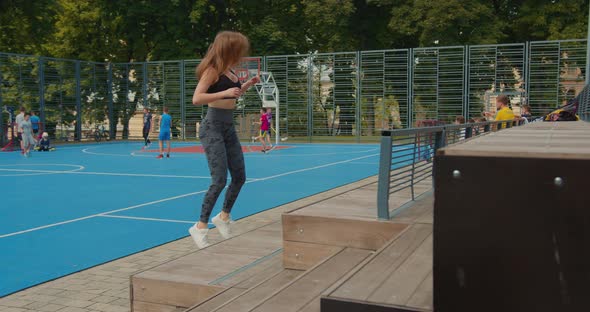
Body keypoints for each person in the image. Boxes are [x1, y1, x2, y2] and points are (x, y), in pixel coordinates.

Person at [190, 31, 260, 249]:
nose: (242, 53)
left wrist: (246, 85)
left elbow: (231, 94)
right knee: (219, 179)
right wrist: (224, 93)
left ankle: (224, 217)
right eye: (239, 49)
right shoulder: (212, 71)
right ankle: (200, 226)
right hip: (212, 128)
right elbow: (197, 98)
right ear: (229, 49)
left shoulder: (231, 72)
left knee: (240, 176)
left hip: (228, 127)